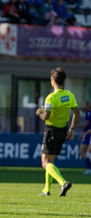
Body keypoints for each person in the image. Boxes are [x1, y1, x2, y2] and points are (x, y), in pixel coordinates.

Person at [36, 67, 79, 197]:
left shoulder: (51, 97)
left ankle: (63, 182)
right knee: (51, 162)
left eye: (51, 78)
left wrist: (39, 112)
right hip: (63, 131)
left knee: (45, 162)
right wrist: (71, 129)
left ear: (53, 80)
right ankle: (46, 189)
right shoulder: (69, 95)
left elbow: (46, 117)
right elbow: (76, 113)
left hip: (51, 131)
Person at [77, 102, 91, 174]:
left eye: (84, 105)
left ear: (88, 106)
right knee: (85, 152)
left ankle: (89, 168)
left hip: (88, 135)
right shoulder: (87, 113)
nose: (82, 107)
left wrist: (76, 125)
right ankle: (89, 168)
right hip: (87, 134)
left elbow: (86, 125)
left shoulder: (89, 113)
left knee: (82, 152)